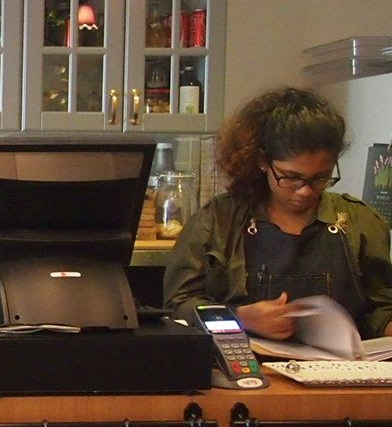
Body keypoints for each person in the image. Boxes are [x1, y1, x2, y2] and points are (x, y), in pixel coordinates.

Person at [164, 87, 392, 340]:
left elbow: (378, 309)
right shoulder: (217, 221)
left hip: (338, 364)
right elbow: (178, 307)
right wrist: (237, 317)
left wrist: (387, 325)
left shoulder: (361, 223)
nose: (305, 191)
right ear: (263, 161)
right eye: (291, 177)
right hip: (244, 362)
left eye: (321, 177)